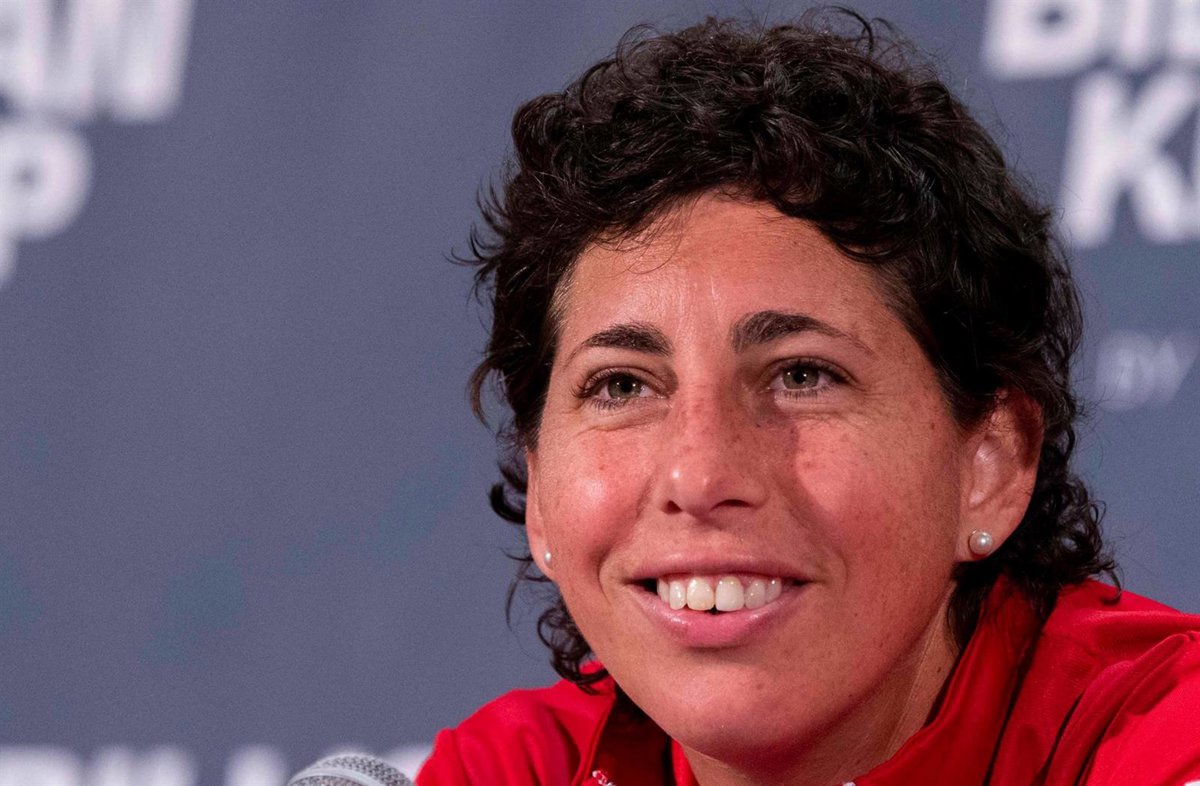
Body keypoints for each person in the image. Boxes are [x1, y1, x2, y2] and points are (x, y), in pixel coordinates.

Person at [417, 12, 1200, 786]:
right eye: (622, 385)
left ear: (990, 465)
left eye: (801, 376)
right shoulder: (520, 770)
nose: (699, 476)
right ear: (541, 495)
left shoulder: (1168, 736)